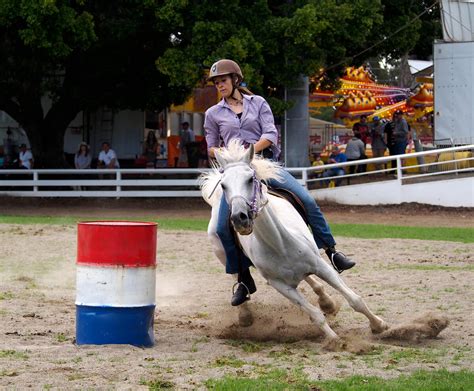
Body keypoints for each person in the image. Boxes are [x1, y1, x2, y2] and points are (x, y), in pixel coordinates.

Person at [204, 59, 355, 307]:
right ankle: (243, 279)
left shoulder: (259, 103)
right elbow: (210, 147)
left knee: (305, 200)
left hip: (264, 165)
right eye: (216, 82)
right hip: (233, 170)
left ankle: (331, 251)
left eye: (223, 80)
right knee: (220, 229)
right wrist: (229, 155)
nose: (219, 85)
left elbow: (270, 134)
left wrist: (249, 151)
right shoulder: (213, 114)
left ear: (235, 80)